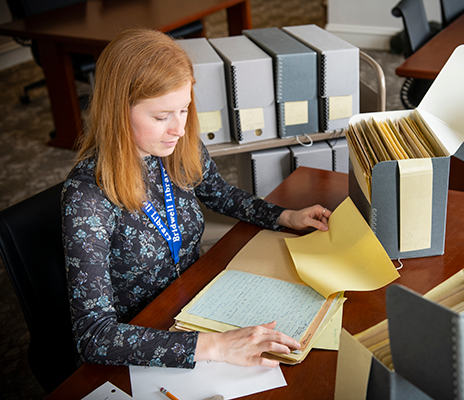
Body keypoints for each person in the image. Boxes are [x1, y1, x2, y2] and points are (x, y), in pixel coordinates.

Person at [61, 28, 332, 370]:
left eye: (185, 109)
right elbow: (95, 336)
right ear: (117, 111)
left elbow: (218, 193)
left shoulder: (174, 144)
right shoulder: (87, 195)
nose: (179, 128)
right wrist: (216, 346)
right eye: (162, 116)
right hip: (145, 332)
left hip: (198, 302)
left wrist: (283, 216)